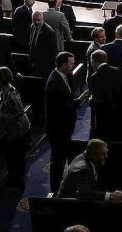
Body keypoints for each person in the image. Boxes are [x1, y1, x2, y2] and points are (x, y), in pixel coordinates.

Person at [46, 51, 78, 193]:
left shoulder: (63, 76)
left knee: (61, 158)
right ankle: (55, 189)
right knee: (58, 161)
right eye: (71, 63)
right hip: (58, 128)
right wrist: (75, 103)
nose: (74, 65)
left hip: (64, 127)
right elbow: (59, 108)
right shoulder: (54, 81)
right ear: (64, 65)